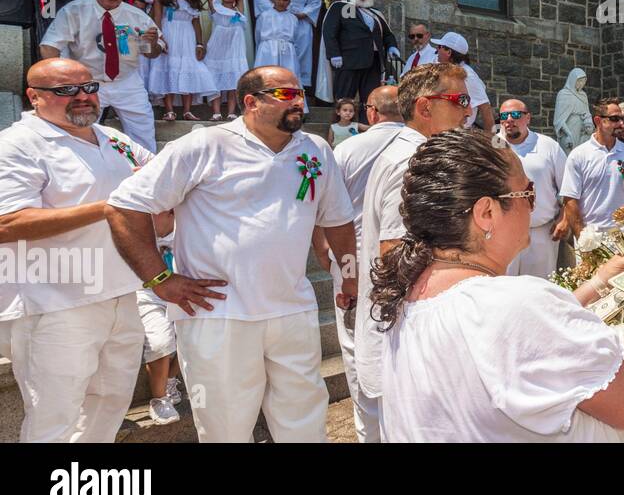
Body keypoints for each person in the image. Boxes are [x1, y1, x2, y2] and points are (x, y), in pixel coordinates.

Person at [372, 126, 624, 442]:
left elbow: (510, 343)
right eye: (528, 193)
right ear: (486, 212)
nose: (533, 206)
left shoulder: (409, 297)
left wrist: (598, 282)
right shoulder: (513, 305)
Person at [104, 66, 357, 443]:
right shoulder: (204, 145)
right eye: (286, 95)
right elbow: (125, 206)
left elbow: (337, 220)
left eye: (300, 94)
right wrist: (159, 279)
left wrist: (349, 276)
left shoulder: (315, 148)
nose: (299, 102)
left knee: (305, 422)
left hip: (292, 309)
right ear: (251, 102)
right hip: (217, 313)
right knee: (225, 428)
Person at [0, 59, 150, 442]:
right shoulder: (16, 144)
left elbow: (160, 178)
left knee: (110, 405)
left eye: (89, 87)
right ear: (34, 96)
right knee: (54, 418)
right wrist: (112, 205)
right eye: (66, 90)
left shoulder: (113, 137)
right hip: (55, 302)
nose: (83, 96)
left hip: (122, 292)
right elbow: (7, 223)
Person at [356, 63, 471, 437]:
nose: (468, 111)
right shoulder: (412, 160)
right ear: (425, 107)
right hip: (408, 339)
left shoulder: (418, 153)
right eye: (459, 100)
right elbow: (395, 253)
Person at [322, 84, 403, 442]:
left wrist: (330, 258)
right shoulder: (420, 145)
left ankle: (369, 432)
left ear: (371, 111)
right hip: (406, 257)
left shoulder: (347, 149)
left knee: (357, 348)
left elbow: (325, 210)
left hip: (352, 257)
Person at [39, 0, 163, 151]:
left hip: (126, 81)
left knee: (143, 133)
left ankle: (145, 167)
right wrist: (59, 82)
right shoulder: (74, 11)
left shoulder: (137, 16)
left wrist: (150, 43)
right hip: (87, 82)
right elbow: (49, 46)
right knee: (78, 133)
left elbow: (151, 53)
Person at [498, 98, 569, 278]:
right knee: (503, 287)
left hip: (542, 233)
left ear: (528, 118)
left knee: (540, 287)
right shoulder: (491, 146)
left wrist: (564, 217)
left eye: (515, 114)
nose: (509, 120)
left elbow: (569, 186)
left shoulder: (548, 146)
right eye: (504, 116)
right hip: (503, 233)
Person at [559, 97, 624, 236]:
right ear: (598, 121)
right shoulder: (578, 155)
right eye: (615, 119)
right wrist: (583, 238)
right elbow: (570, 201)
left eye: (622, 119)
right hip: (591, 235)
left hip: (622, 236)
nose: (621, 124)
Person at [317, 0, 400, 107]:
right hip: (349, 60)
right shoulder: (341, 7)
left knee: (370, 100)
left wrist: (392, 46)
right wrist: (334, 54)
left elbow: (387, 34)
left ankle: (366, 120)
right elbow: (329, 32)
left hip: (373, 62)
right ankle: (342, 121)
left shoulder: (376, 14)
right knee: (344, 98)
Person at [148, 0, 216, 123]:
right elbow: (157, 17)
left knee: (189, 68)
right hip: (169, 33)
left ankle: (187, 110)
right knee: (169, 67)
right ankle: (169, 110)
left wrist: (199, 44)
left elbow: (196, 22)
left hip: (187, 36)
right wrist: (160, 38)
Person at [136, 207, 184, 425]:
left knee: (194, 340)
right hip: (148, 293)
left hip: (184, 291)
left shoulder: (188, 225)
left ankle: (170, 379)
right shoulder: (136, 227)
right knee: (160, 343)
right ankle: (159, 399)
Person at [203, 0, 251, 121]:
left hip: (234, 51)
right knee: (215, 80)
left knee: (233, 82)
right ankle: (216, 112)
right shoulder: (216, 7)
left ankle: (231, 112)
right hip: (217, 50)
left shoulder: (238, 12)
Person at [429, 31, 492, 130]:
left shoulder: (468, 76)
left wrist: (490, 137)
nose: (436, 49)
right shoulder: (444, 69)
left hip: (456, 133)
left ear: (449, 52)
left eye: (440, 46)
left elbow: (485, 108)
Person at [255, 0, 300, 70]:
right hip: (268, 50)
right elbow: (257, 36)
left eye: (285, 0)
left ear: (289, 2)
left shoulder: (293, 18)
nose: (281, 2)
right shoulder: (264, 16)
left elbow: (296, 38)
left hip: (287, 51)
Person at [554, 67, 594, 153]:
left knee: (582, 154)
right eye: (579, 81)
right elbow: (559, 120)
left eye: (583, 81)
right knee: (568, 154)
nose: (582, 84)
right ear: (573, 80)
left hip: (582, 132)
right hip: (568, 129)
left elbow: (587, 113)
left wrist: (589, 125)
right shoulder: (563, 94)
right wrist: (568, 134)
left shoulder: (583, 95)